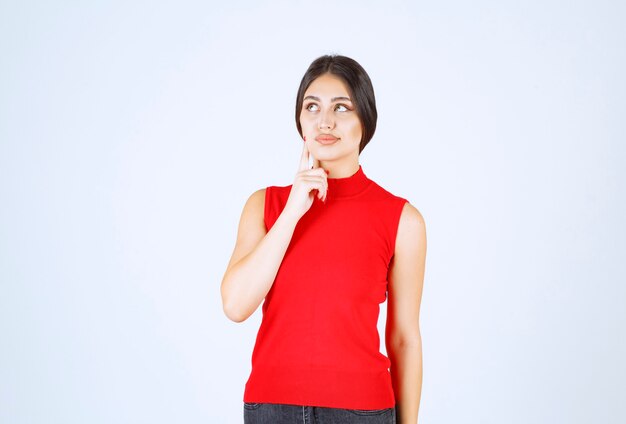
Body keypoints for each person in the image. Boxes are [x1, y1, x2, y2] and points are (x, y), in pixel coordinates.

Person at [221, 54, 427, 424]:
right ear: (300, 120)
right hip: (271, 408)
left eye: (342, 107)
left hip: (361, 411)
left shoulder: (402, 219)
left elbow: (404, 339)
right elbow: (236, 305)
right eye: (311, 106)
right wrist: (293, 211)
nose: (325, 121)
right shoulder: (266, 205)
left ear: (365, 119)